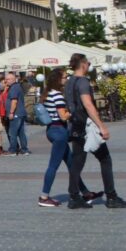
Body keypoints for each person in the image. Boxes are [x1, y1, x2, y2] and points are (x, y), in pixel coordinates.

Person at [64, 53, 126, 211]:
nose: (88, 65)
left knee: (77, 163)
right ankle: (111, 197)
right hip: (87, 127)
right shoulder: (83, 82)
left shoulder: (69, 82)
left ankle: (74, 197)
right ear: (83, 64)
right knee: (105, 159)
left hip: (75, 126)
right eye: (87, 63)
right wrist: (101, 126)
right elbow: (88, 104)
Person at [37, 69, 71, 207]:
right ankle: (44, 196)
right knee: (53, 165)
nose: (66, 79)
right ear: (58, 79)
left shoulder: (48, 93)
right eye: (64, 77)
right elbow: (63, 116)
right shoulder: (57, 95)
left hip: (51, 129)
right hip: (59, 130)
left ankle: (85, 192)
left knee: (72, 163)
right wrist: (72, 111)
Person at [2, 73, 29, 156]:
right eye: (6, 79)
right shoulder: (16, 87)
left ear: (13, 79)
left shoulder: (14, 88)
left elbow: (14, 101)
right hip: (20, 113)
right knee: (21, 132)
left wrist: (11, 112)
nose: (6, 81)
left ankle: (12, 150)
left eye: (8, 79)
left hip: (16, 114)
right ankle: (24, 150)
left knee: (12, 132)